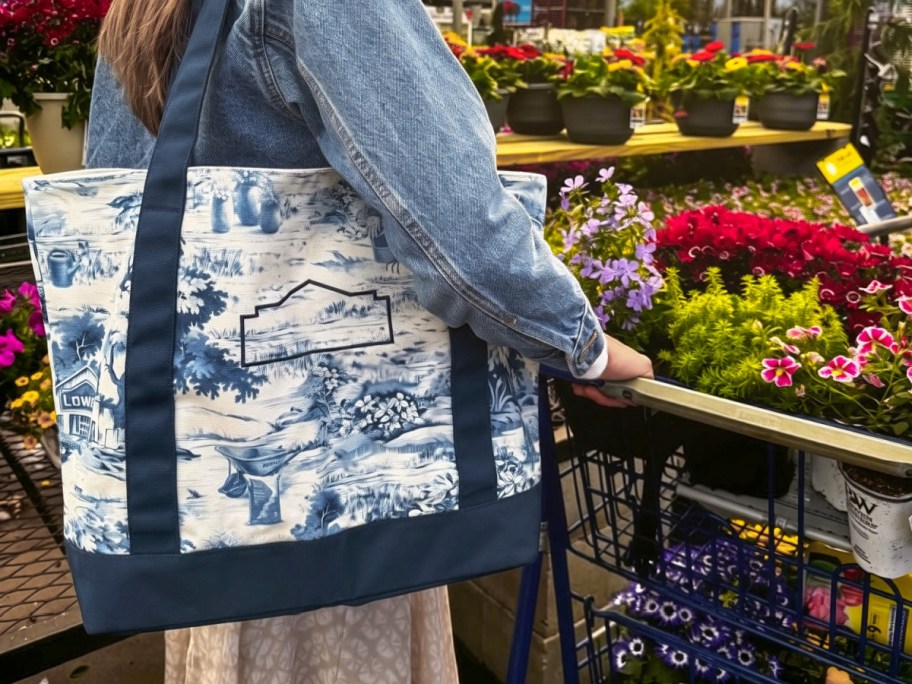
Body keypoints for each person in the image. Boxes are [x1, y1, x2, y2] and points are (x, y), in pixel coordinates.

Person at [88, 1, 653, 682]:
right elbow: (461, 232)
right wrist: (579, 343)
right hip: (345, 524)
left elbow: (120, 198)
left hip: (212, 528)